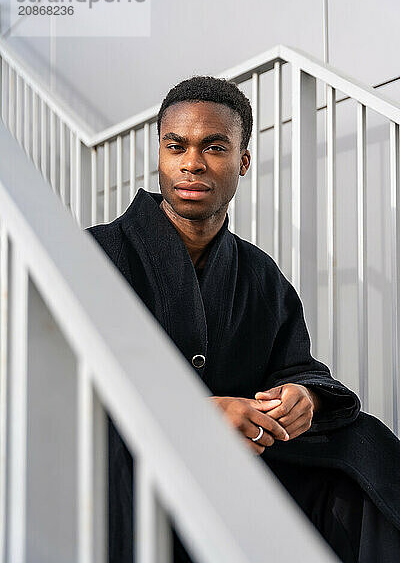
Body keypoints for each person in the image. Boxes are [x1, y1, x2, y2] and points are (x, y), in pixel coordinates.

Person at [86, 76, 400, 562]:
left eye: (214, 147)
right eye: (176, 146)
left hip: (241, 467)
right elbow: (66, 377)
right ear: (160, 157)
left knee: (362, 449)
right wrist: (196, 413)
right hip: (131, 461)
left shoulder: (259, 273)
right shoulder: (94, 254)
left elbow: (296, 365)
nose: (192, 163)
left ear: (243, 161)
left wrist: (305, 399)